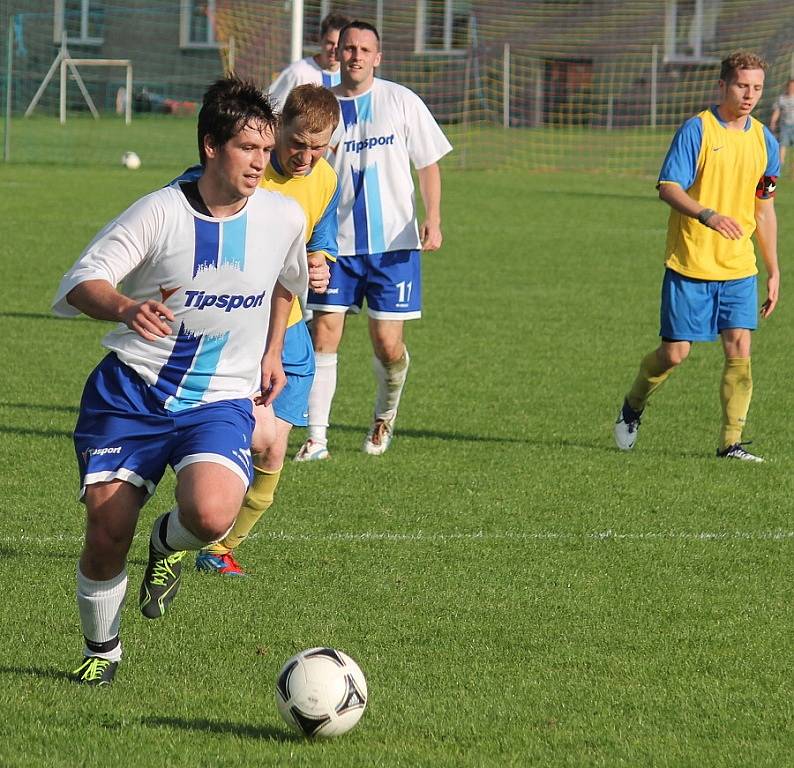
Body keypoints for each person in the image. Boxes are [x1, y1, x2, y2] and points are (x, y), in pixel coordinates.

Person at [52, 76, 308, 685]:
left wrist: (273, 352)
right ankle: (102, 650)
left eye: (266, 150)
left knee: (213, 515)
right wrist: (123, 308)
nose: (260, 162)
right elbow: (81, 281)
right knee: (108, 527)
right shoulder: (160, 211)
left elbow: (285, 283)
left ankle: (166, 546)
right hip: (133, 391)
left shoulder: (282, 216)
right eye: (248, 148)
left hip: (218, 398)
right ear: (211, 146)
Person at [188, 84, 341, 575]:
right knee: (257, 437)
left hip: (292, 329)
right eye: (297, 143)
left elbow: (319, 238)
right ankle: (193, 523)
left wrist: (320, 263)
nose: (306, 156)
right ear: (279, 131)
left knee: (275, 447)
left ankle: (217, 549)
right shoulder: (246, 174)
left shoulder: (327, 179)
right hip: (243, 329)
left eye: (319, 147)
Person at [295, 20, 452, 461]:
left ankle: (384, 417)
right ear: (337, 54)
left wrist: (434, 218)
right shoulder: (321, 110)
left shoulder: (400, 101)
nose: (356, 56)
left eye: (365, 49)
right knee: (324, 335)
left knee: (388, 345)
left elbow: (429, 164)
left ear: (378, 57)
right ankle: (317, 437)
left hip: (394, 245)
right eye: (348, 48)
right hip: (335, 244)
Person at [614, 51, 780, 462]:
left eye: (757, 87)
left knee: (740, 349)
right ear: (722, 85)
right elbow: (668, 186)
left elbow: (764, 208)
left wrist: (775, 270)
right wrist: (707, 214)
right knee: (674, 354)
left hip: (739, 267)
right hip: (690, 262)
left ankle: (730, 443)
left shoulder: (766, 141)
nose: (749, 95)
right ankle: (633, 404)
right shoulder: (698, 131)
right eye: (742, 85)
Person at [268, 12, 352, 110]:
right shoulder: (297, 73)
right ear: (320, 40)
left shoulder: (350, 77)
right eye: (330, 43)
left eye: (339, 44)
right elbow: (271, 110)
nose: (334, 49)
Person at [770, 78, 794, 170]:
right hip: (785, 125)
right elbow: (777, 111)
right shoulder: (782, 98)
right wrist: (773, 122)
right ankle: (781, 164)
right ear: (787, 87)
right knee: (783, 144)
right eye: (790, 86)